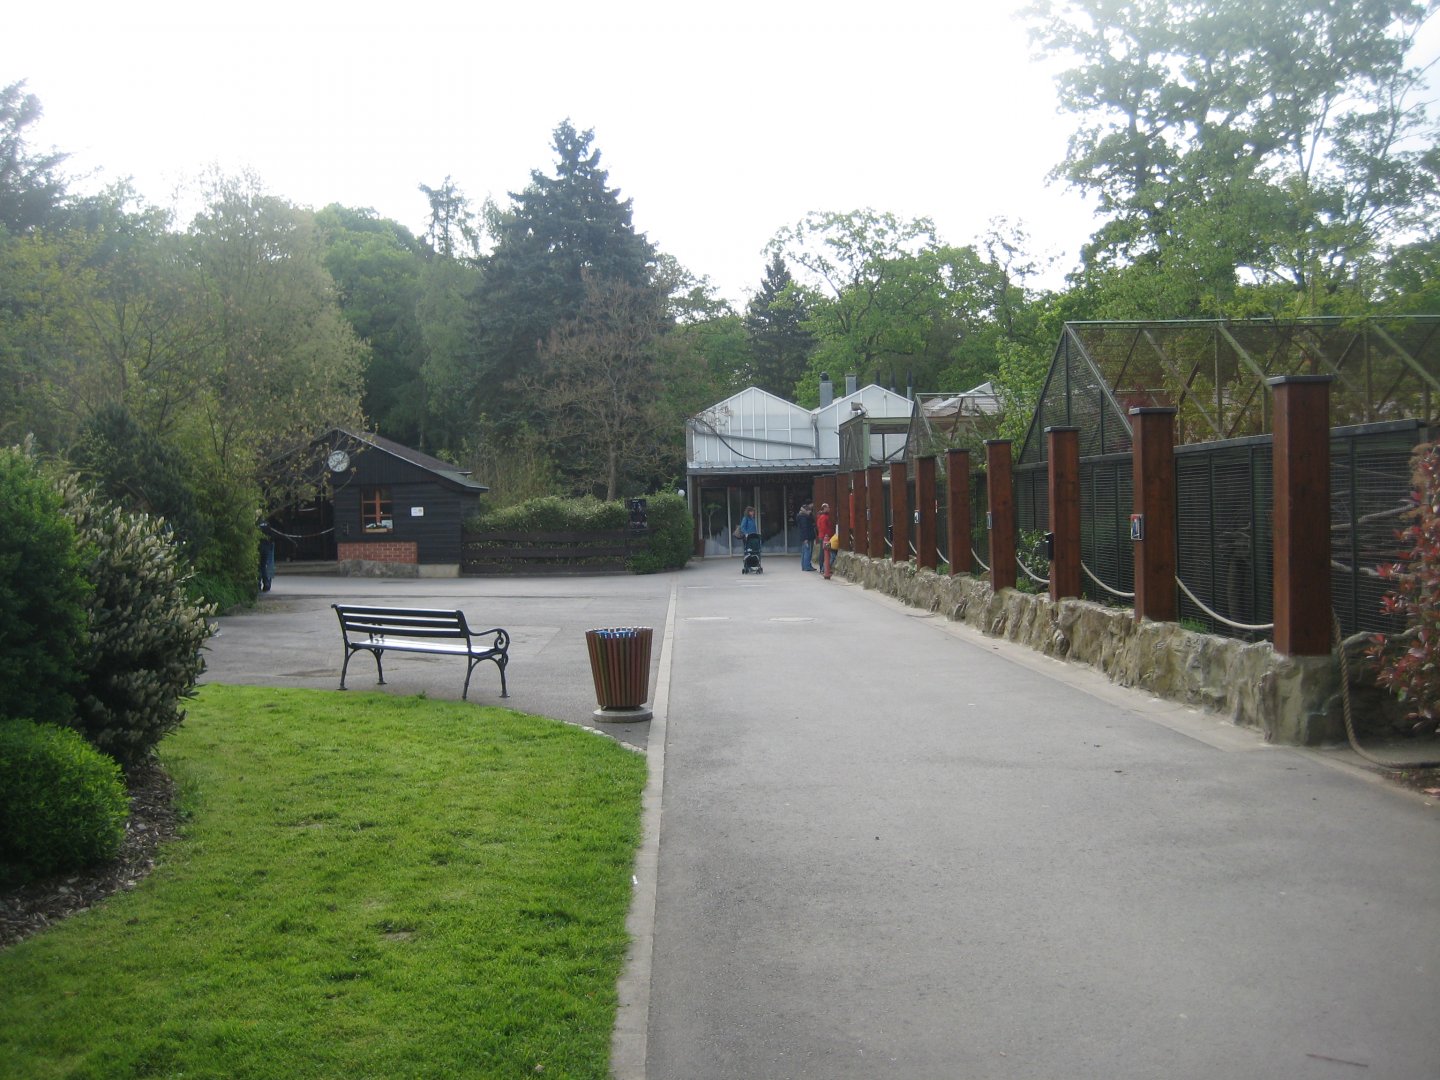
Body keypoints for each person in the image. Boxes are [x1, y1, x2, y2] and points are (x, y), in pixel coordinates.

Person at [816, 502, 835, 579]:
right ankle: (823, 568)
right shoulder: (824, 517)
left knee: (823, 552)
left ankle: (823, 568)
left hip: (822, 536)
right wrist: (827, 535)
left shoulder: (821, 516)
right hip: (825, 537)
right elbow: (824, 527)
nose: (829, 509)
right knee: (825, 552)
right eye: (828, 507)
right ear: (824, 508)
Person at [796, 502, 816, 571]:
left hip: (805, 537)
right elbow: (805, 528)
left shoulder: (801, 516)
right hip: (808, 537)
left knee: (804, 551)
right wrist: (806, 538)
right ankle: (807, 566)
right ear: (805, 510)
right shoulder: (804, 517)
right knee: (808, 551)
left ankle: (804, 566)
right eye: (809, 510)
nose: (810, 511)